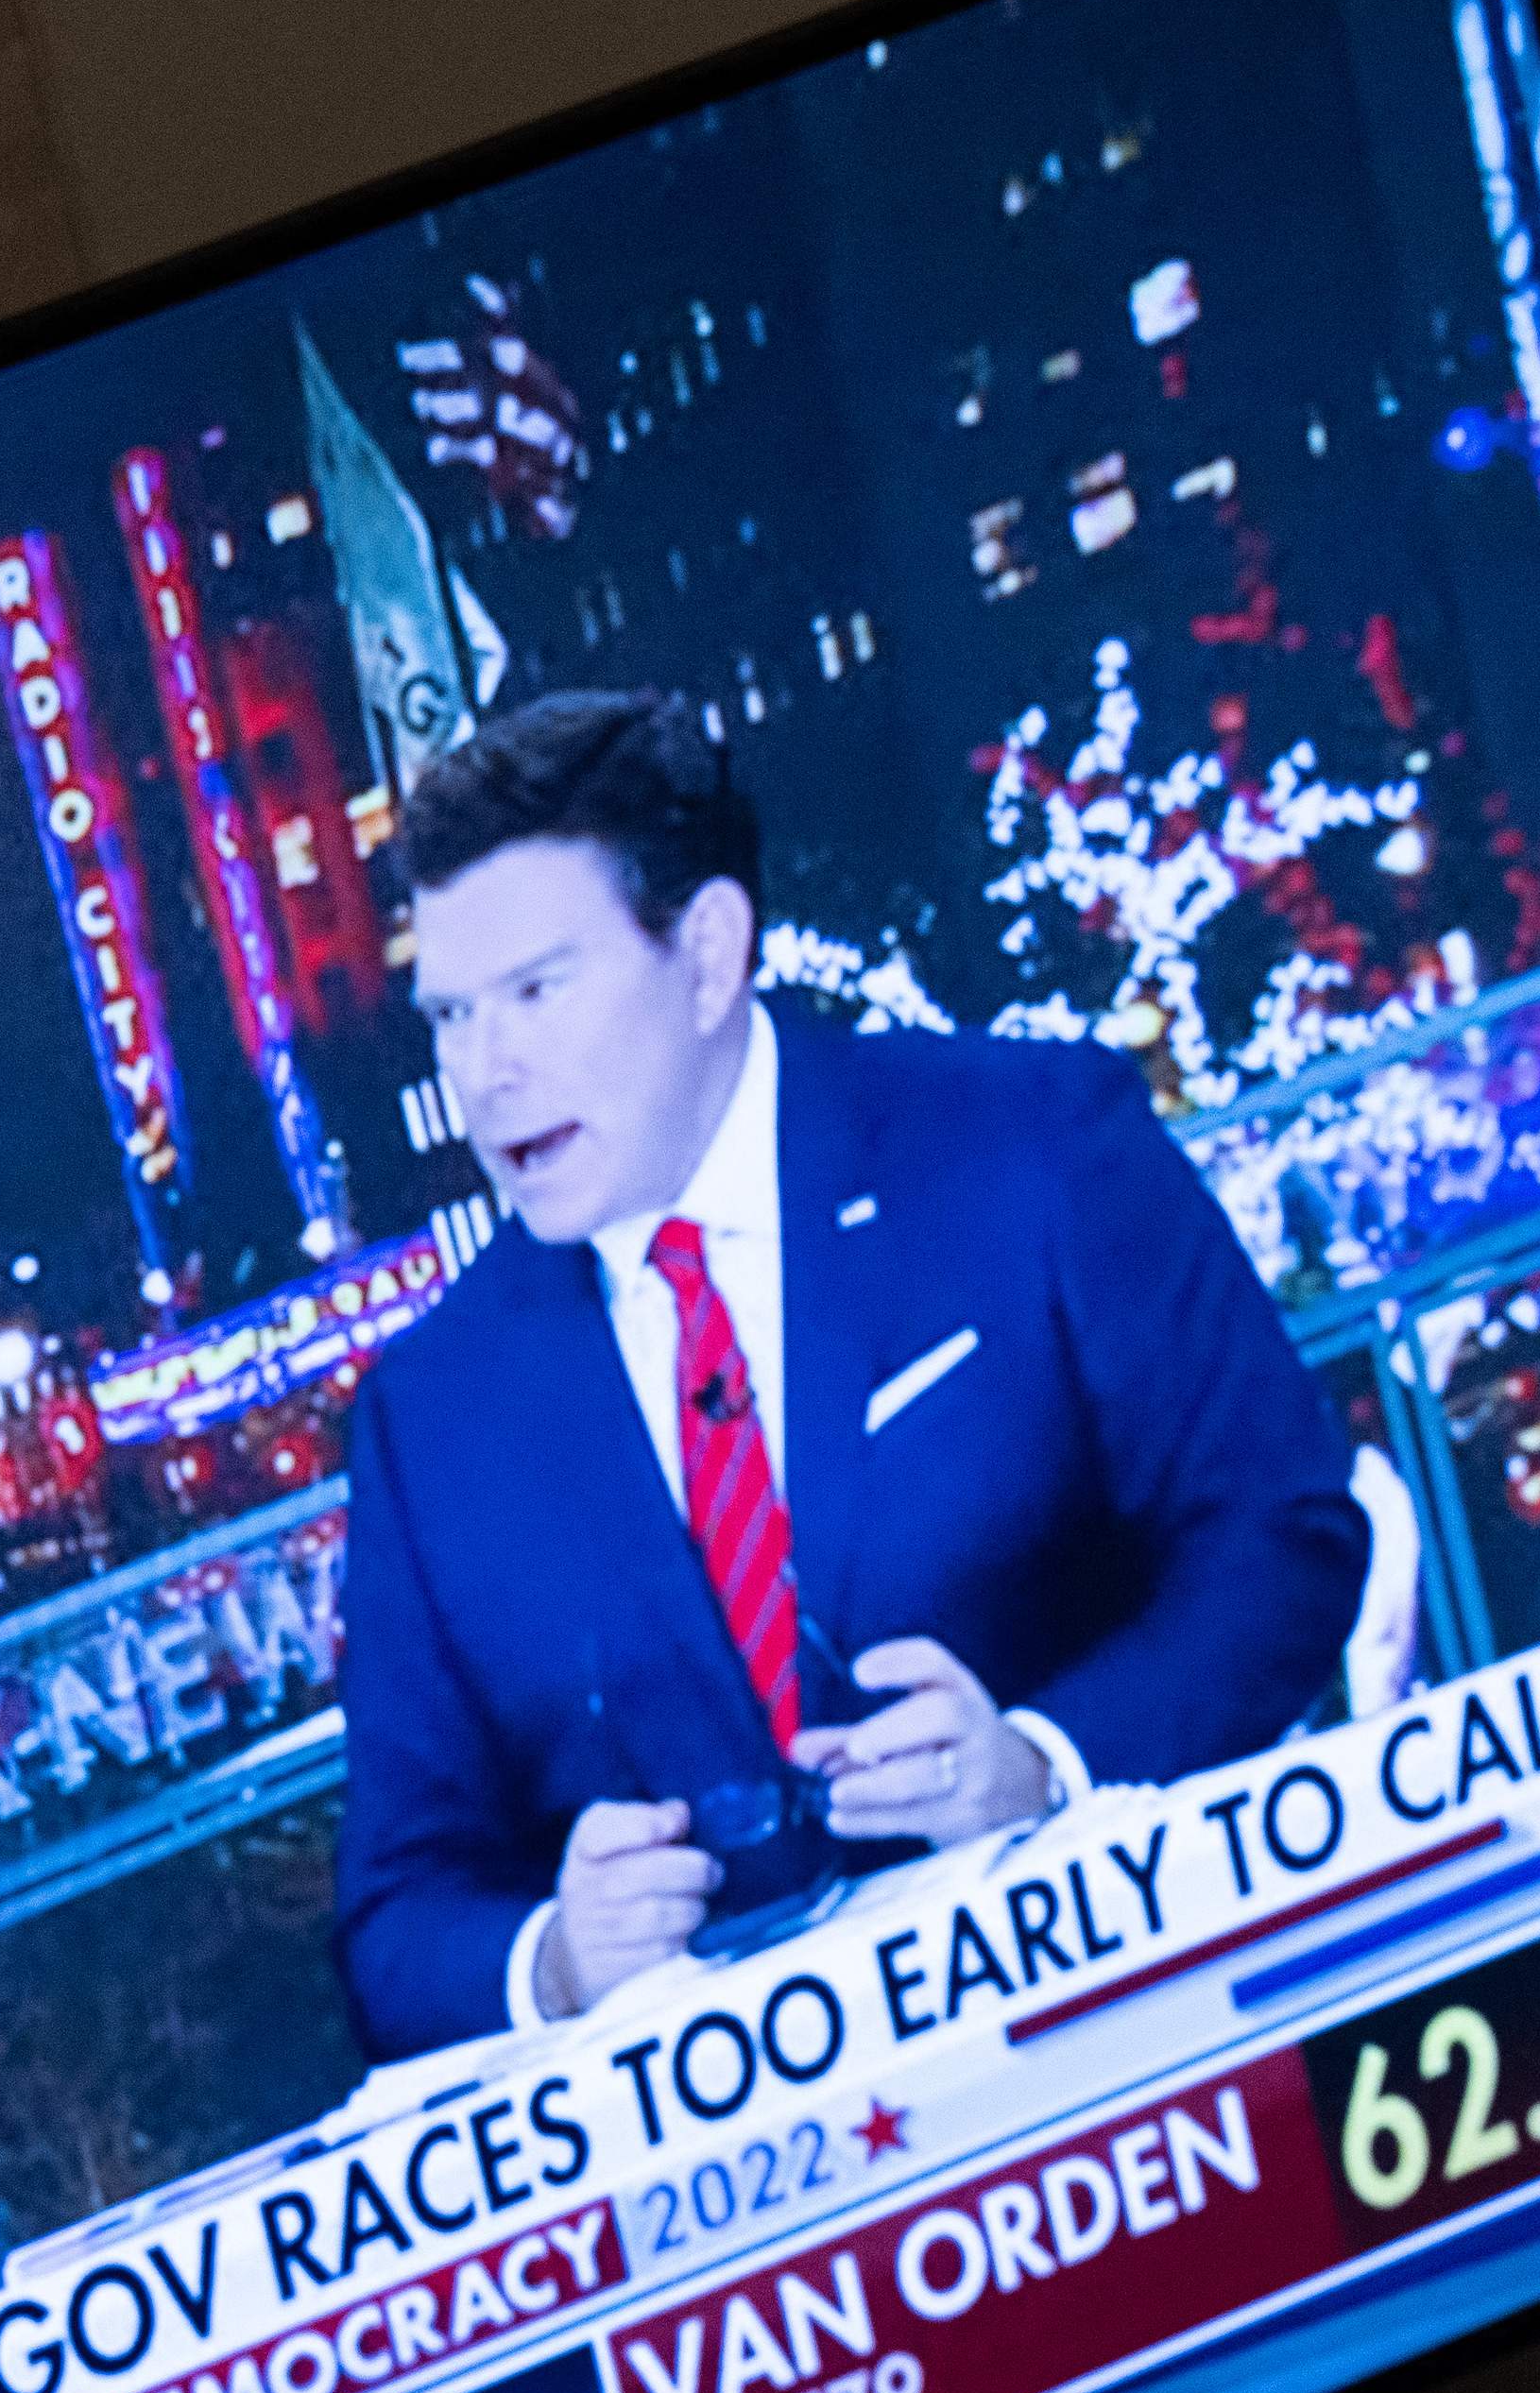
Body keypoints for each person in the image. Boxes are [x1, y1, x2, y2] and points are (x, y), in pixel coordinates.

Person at [333, 689, 1367, 2055]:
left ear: (707, 955)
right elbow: (399, 1910)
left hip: (1147, 2033)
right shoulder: (432, 1417)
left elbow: (1280, 1537)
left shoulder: (1030, 1147)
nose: (485, 1073)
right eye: (450, 1017)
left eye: (535, 991)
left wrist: (1041, 1770)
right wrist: (559, 1962)